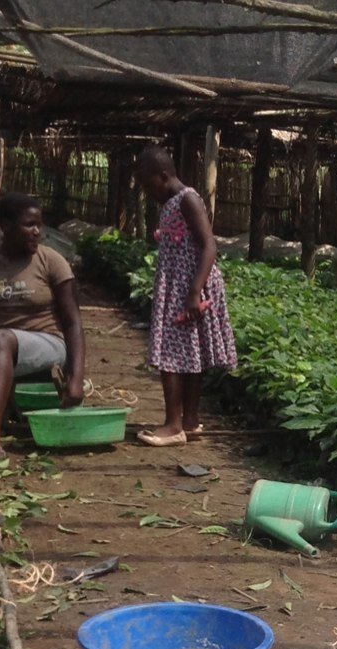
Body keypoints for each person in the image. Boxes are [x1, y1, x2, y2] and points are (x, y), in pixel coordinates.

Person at [0, 192, 84, 461]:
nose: (37, 232)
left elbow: (73, 322)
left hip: (48, 340)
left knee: (0, 338)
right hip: (2, 340)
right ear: (6, 225)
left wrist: (76, 377)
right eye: (29, 225)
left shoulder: (51, 261)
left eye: (39, 225)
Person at [136, 145, 236, 446]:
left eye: (148, 184)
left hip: (189, 287)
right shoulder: (171, 202)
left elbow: (209, 246)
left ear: (164, 175)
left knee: (169, 355)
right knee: (189, 354)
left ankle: (172, 425)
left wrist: (193, 292)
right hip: (181, 285)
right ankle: (189, 421)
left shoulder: (187, 199)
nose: (146, 191)